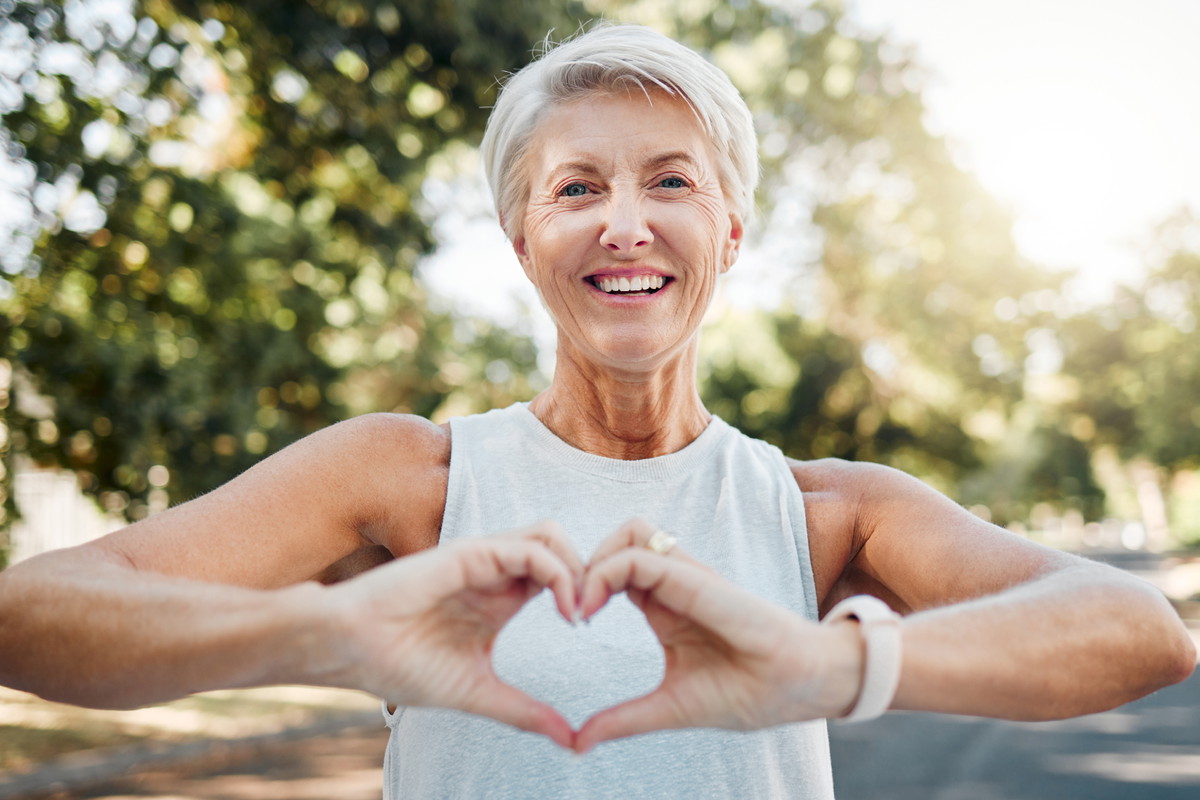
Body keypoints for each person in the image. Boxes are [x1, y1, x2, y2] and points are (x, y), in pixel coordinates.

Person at [0, 23, 1193, 799]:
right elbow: (31, 615)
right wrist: (326, 634)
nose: (625, 223)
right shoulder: (404, 478)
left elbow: (1138, 631)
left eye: (671, 180)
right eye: (577, 188)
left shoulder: (828, 510)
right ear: (524, 241)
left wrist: (822, 662)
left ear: (729, 231)